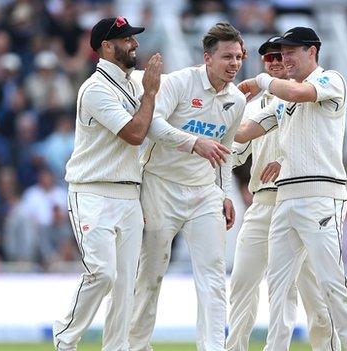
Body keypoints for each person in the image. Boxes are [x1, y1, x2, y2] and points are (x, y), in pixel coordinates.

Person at [235, 27, 347, 351]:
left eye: (292, 51)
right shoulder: (283, 101)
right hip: (286, 199)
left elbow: (298, 94)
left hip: (322, 197)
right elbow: (244, 132)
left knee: (331, 283)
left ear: (313, 51)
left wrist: (260, 81)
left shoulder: (330, 80)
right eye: (282, 52)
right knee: (278, 289)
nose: (285, 58)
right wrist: (210, 114)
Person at [129, 22, 246, 351]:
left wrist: (223, 193)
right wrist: (193, 143)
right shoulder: (179, 83)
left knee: (213, 275)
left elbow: (225, 151)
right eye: (227, 57)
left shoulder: (236, 101)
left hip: (203, 192)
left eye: (238, 57)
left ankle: (212, 347)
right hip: (160, 187)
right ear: (207, 58)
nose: (234, 64)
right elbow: (152, 125)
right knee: (150, 273)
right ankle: (135, 345)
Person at [52, 16, 162, 351]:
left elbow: (176, 86)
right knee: (102, 274)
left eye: (133, 37)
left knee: (125, 283)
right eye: (126, 39)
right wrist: (151, 93)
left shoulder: (132, 83)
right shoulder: (95, 89)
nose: (134, 44)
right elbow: (134, 134)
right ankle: (64, 339)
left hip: (128, 194)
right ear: (106, 47)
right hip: (93, 191)